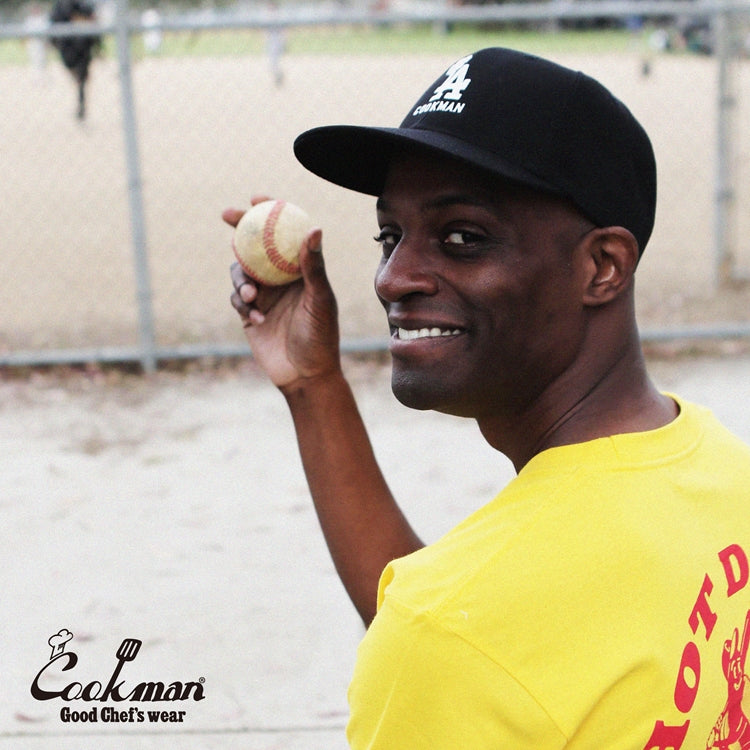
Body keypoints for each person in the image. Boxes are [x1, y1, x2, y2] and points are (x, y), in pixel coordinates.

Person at [226, 48, 750, 749]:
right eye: (391, 234)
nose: (391, 277)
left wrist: (429, 639)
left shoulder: (452, 638)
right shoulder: (718, 468)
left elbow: (459, 646)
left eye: (462, 237)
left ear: (602, 267)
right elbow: (471, 646)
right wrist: (313, 385)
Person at [49, 0, 101, 120]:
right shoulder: (60, 6)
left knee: (81, 79)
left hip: (83, 47)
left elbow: (94, 21)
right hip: (68, 47)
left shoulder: (83, 5)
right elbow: (53, 26)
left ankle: (81, 99)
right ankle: (80, 89)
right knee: (78, 77)